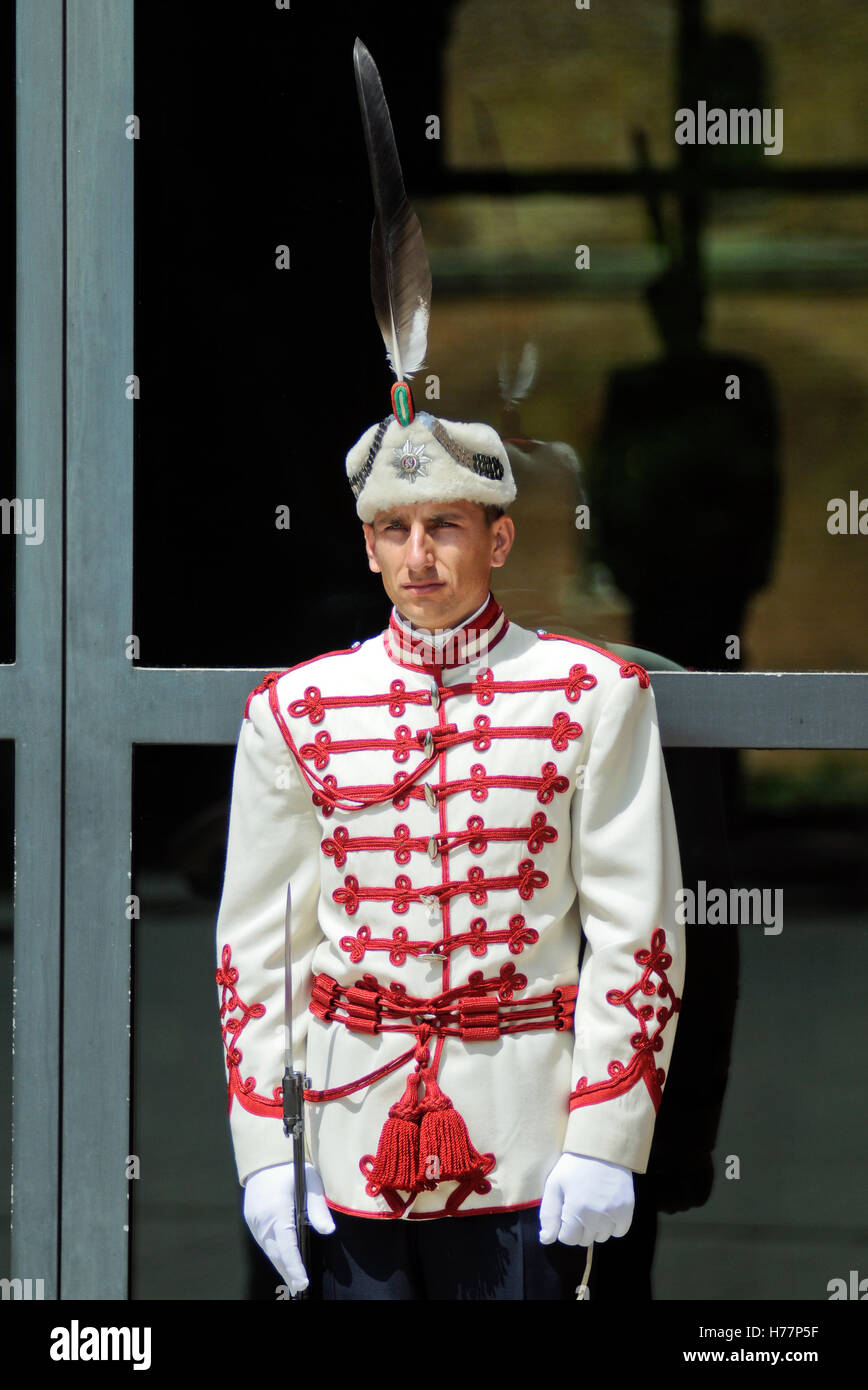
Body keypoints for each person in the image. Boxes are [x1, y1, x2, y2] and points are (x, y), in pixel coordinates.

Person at [215, 405, 685, 1300]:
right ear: (368, 548)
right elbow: (259, 957)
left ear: (499, 539)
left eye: (445, 528)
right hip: (348, 1135)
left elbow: (639, 940)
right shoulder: (295, 709)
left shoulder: (593, 696)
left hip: (530, 1144)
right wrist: (269, 1150)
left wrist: (605, 1137)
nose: (418, 555)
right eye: (394, 529)